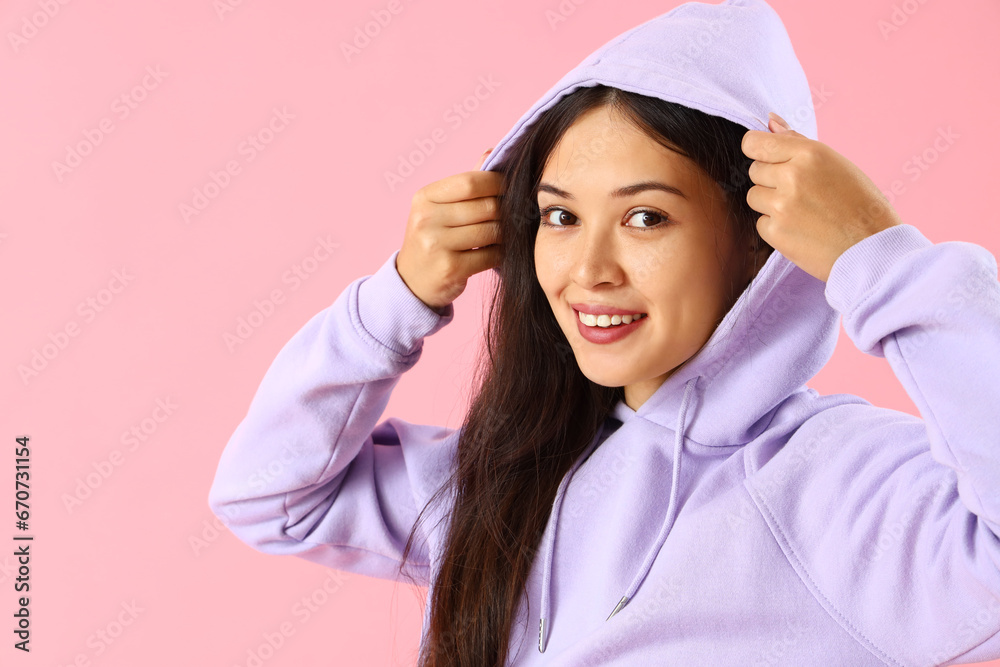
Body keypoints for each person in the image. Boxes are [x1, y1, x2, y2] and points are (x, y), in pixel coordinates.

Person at [208, 0, 1000, 664]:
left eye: (644, 217)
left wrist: (882, 261)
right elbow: (266, 493)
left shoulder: (833, 487)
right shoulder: (504, 481)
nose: (588, 269)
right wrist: (397, 298)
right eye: (560, 215)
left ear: (760, 241)